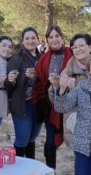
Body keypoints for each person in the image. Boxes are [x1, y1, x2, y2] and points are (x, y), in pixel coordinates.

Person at [32, 26, 73, 168]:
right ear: (47, 40)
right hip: (52, 107)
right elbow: (39, 84)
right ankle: (51, 170)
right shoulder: (43, 60)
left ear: (62, 38)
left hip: (73, 107)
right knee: (50, 143)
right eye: (51, 37)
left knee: (81, 144)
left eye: (57, 36)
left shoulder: (73, 53)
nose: (54, 39)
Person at [4, 27, 42, 159]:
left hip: (38, 105)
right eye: (27, 38)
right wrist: (10, 80)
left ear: (38, 39)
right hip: (22, 106)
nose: (30, 41)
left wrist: (34, 77)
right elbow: (8, 86)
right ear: (22, 41)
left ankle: (30, 166)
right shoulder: (16, 58)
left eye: (33, 38)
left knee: (32, 139)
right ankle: (17, 168)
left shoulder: (42, 58)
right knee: (22, 140)